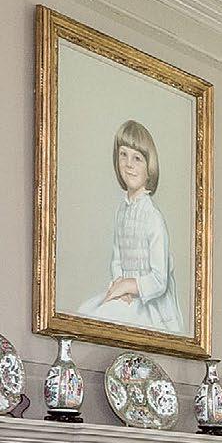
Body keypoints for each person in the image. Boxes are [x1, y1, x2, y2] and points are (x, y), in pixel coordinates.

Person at [79, 119, 184, 335]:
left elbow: (159, 281)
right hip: (126, 295)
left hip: (151, 305)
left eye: (137, 158)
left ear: (149, 167)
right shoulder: (122, 212)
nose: (129, 164)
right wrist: (119, 283)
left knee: (104, 316)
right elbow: (117, 259)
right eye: (123, 155)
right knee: (85, 311)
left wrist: (128, 285)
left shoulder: (153, 218)